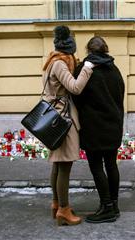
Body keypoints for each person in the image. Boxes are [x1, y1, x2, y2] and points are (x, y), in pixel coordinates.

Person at [42, 25, 95, 226]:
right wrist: (87, 68)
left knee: (57, 163)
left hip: (54, 116)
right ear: (69, 47)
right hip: (62, 119)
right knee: (64, 165)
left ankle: (56, 204)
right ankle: (64, 211)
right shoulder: (60, 64)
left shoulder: (51, 61)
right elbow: (75, 87)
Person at [73, 36, 125, 223]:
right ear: (105, 50)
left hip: (93, 126)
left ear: (89, 50)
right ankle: (114, 204)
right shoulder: (115, 70)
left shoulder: (84, 69)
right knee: (111, 164)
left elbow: (75, 95)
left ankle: (107, 208)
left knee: (96, 166)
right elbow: (120, 95)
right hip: (113, 124)